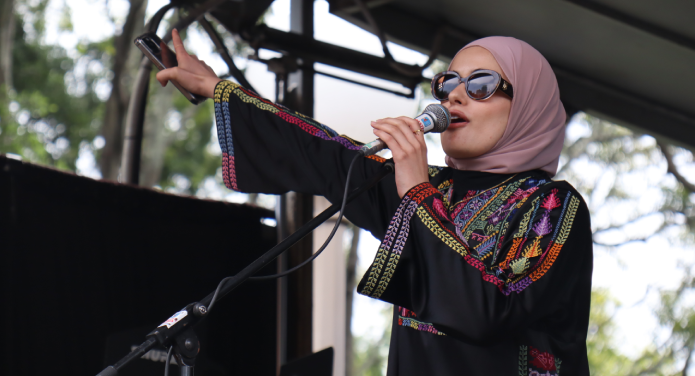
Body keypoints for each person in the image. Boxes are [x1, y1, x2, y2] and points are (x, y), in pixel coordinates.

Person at [157, 29, 593, 376]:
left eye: (481, 85)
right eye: (448, 83)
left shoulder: (553, 206)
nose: (454, 97)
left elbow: (490, 310)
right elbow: (327, 155)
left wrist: (418, 192)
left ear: (528, 107)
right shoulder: (429, 190)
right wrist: (216, 87)